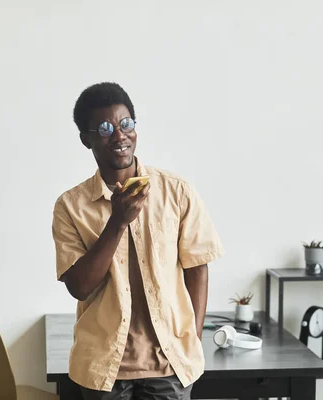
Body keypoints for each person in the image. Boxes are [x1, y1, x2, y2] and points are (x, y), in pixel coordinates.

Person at [51, 82, 224, 400]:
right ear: (86, 139)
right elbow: (80, 287)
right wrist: (117, 221)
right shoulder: (70, 206)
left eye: (125, 123)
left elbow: (197, 268)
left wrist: (192, 339)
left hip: (169, 366)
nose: (119, 136)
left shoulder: (177, 191)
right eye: (104, 128)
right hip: (102, 369)